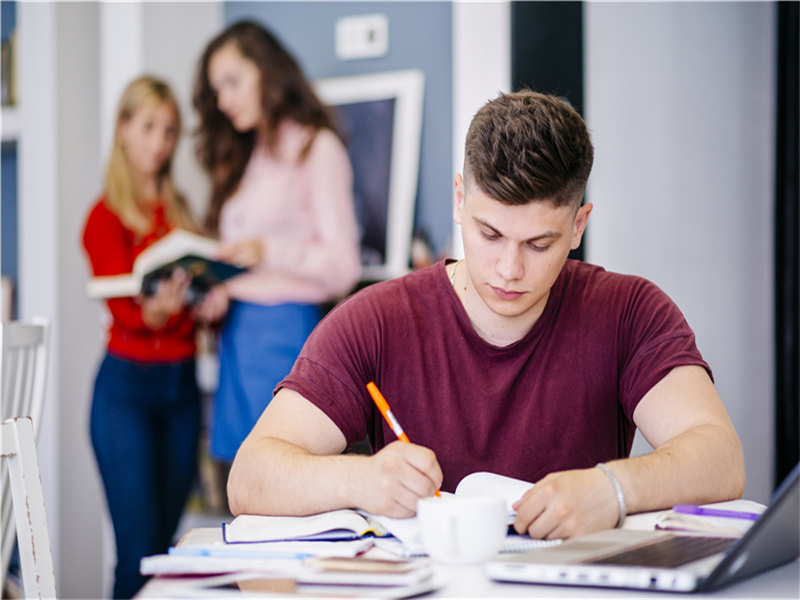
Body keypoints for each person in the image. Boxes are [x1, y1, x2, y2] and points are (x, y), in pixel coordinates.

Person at [227, 90, 745, 540]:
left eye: (540, 243)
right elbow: (250, 477)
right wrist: (360, 480)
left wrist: (613, 488)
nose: (509, 269)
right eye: (490, 234)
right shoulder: (376, 321)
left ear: (579, 224)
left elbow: (720, 456)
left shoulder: (630, 312)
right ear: (459, 199)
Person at [192, 21, 361, 466]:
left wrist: (269, 252)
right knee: (240, 487)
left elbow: (344, 267)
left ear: (266, 71)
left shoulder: (317, 148)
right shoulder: (244, 158)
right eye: (216, 90)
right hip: (236, 339)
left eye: (232, 83)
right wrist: (218, 291)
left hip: (287, 337)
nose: (223, 100)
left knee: (284, 479)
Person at [82, 76, 225, 599]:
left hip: (181, 390)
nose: (160, 143)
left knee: (166, 554)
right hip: (126, 393)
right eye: (148, 128)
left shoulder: (181, 212)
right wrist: (163, 315)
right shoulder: (102, 218)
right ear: (123, 130)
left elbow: (190, 303)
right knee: (138, 556)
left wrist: (207, 304)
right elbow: (127, 310)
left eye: (169, 131)